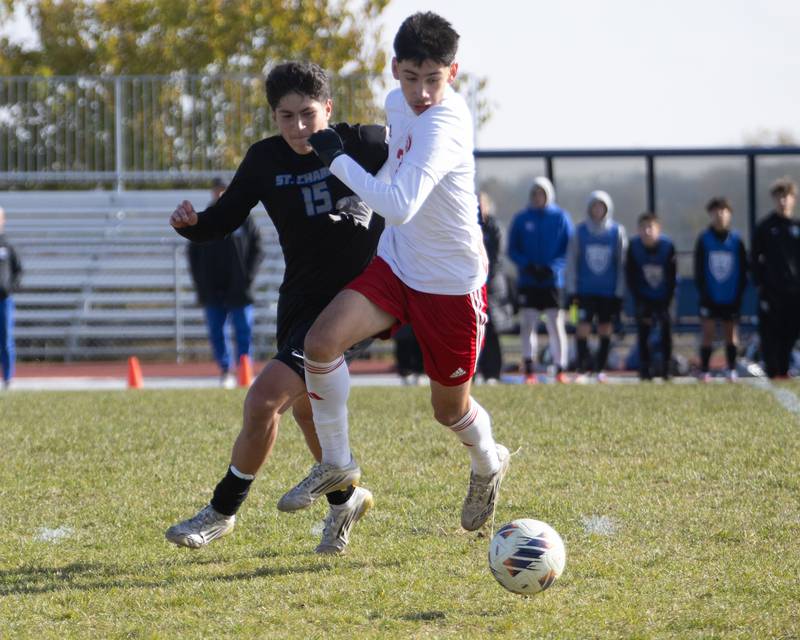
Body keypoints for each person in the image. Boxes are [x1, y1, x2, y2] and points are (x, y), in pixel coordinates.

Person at [278, 12, 510, 534]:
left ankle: (488, 462)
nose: (422, 92)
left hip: (450, 285)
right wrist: (360, 188)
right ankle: (337, 464)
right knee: (320, 343)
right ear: (394, 69)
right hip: (397, 263)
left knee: (449, 410)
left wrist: (338, 162)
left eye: (434, 79)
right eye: (411, 78)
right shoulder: (395, 105)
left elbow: (401, 203)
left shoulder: (446, 123)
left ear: (454, 72)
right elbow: (393, 178)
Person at [165, 61, 388, 555]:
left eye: (308, 114)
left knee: (264, 398)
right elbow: (223, 220)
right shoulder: (265, 159)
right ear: (273, 116)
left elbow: (422, 170)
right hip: (301, 298)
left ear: (329, 108)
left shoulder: (368, 143)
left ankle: (222, 512)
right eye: (285, 116)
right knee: (309, 410)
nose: (299, 127)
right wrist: (192, 223)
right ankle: (344, 501)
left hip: (357, 299)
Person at [188, 177, 265, 388]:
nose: (220, 194)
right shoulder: (204, 217)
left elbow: (258, 248)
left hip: (239, 287)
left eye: (224, 190)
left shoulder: (243, 218)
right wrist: (200, 282)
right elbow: (192, 251)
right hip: (212, 287)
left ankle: (244, 370)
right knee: (216, 331)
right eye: (217, 190)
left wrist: (248, 277)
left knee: (243, 330)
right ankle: (225, 370)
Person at [507, 177, 573, 384]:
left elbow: (568, 248)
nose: (538, 197)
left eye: (541, 193)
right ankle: (529, 369)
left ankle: (560, 368)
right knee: (528, 324)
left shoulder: (561, 217)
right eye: (534, 193)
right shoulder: (521, 219)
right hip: (529, 280)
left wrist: (553, 268)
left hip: (553, 282)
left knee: (555, 323)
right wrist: (527, 265)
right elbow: (512, 249)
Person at [565, 190, 627, 383]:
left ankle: (600, 369)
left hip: (608, 291)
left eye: (601, 206)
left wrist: (619, 292)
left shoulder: (617, 231)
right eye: (594, 206)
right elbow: (572, 262)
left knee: (605, 328)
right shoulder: (580, 231)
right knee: (582, 327)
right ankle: (582, 368)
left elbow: (621, 263)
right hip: (584, 291)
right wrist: (571, 290)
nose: (598, 210)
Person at [694, 197, 748, 382]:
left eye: (724, 211)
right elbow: (699, 269)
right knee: (707, 333)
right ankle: (704, 370)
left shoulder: (736, 240)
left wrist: (739, 295)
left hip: (730, 296)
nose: (720, 215)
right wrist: (704, 293)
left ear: (730, 214)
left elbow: (743, 270)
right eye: (716, 211)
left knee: (731, 334)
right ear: (710, 214)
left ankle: (731, 369)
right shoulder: (704, 239)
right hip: (710, 296)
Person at [752, 177, 800, 379]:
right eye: (779, 197)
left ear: (793, 199)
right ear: (774, 199)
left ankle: (784, 368)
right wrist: (760, 285)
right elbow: (754, 259)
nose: (783, 201)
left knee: (792, 332)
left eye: (787, 197)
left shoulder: (798, 226)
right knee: (771, 333)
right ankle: (773, 370)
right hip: (772, 292)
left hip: (796, 292)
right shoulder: (765, 227)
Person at [626, 212, 677, 380]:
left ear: (658, 229)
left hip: (664, 297)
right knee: (643, 333)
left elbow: (671, 277)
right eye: (643, 227)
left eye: (651, 227)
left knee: (666, 332)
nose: (647, 231)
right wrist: (640, 300)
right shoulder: (634, 247)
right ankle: (644, 369)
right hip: (644, 297)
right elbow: (631, 276)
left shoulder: (668, 247)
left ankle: (667, 369)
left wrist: (667, 300)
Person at [477, 191, 512, 384]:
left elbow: (498, 259)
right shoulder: (469, 226)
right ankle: (472, 374)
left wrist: (484, 277)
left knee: (492, 332)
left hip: (492, 289)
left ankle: (493, 373)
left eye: (482, 204)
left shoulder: (496, 228)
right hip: (474, 286)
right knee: (474, 331)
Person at [0, 206, 23, 390]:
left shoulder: (8, 247)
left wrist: (10, 287)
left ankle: (8, 379)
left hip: (4, 300)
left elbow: (19, 271)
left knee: (6, 339)